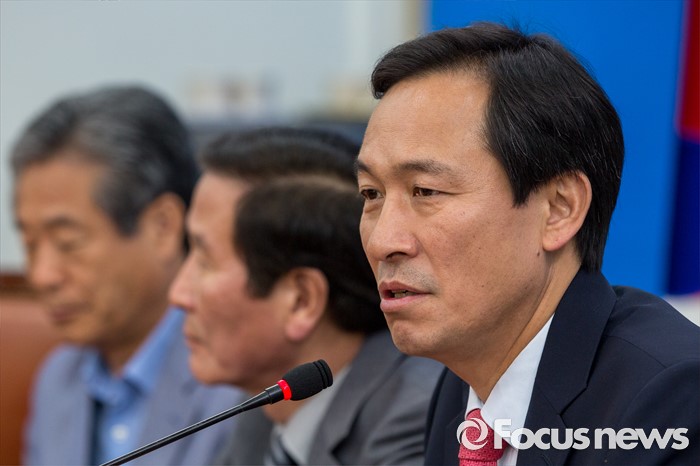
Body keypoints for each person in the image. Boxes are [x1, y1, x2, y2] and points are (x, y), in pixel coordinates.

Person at [356, 22, 700, 465]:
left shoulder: (671, 398)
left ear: (559, 209)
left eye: (426, 191)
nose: (383, 241)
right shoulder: (462, 387)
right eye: (371, 194)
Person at [168, 126, 443, 465]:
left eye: (205, 262)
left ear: (301, 301)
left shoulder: (415, 420)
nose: (178, 294)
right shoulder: (261, 413)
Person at [12, 85, 243, 466]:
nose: (41, 275)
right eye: (30, 244)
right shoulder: (57, 380)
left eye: (68, 243)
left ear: (162, 227)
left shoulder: (237, 383)